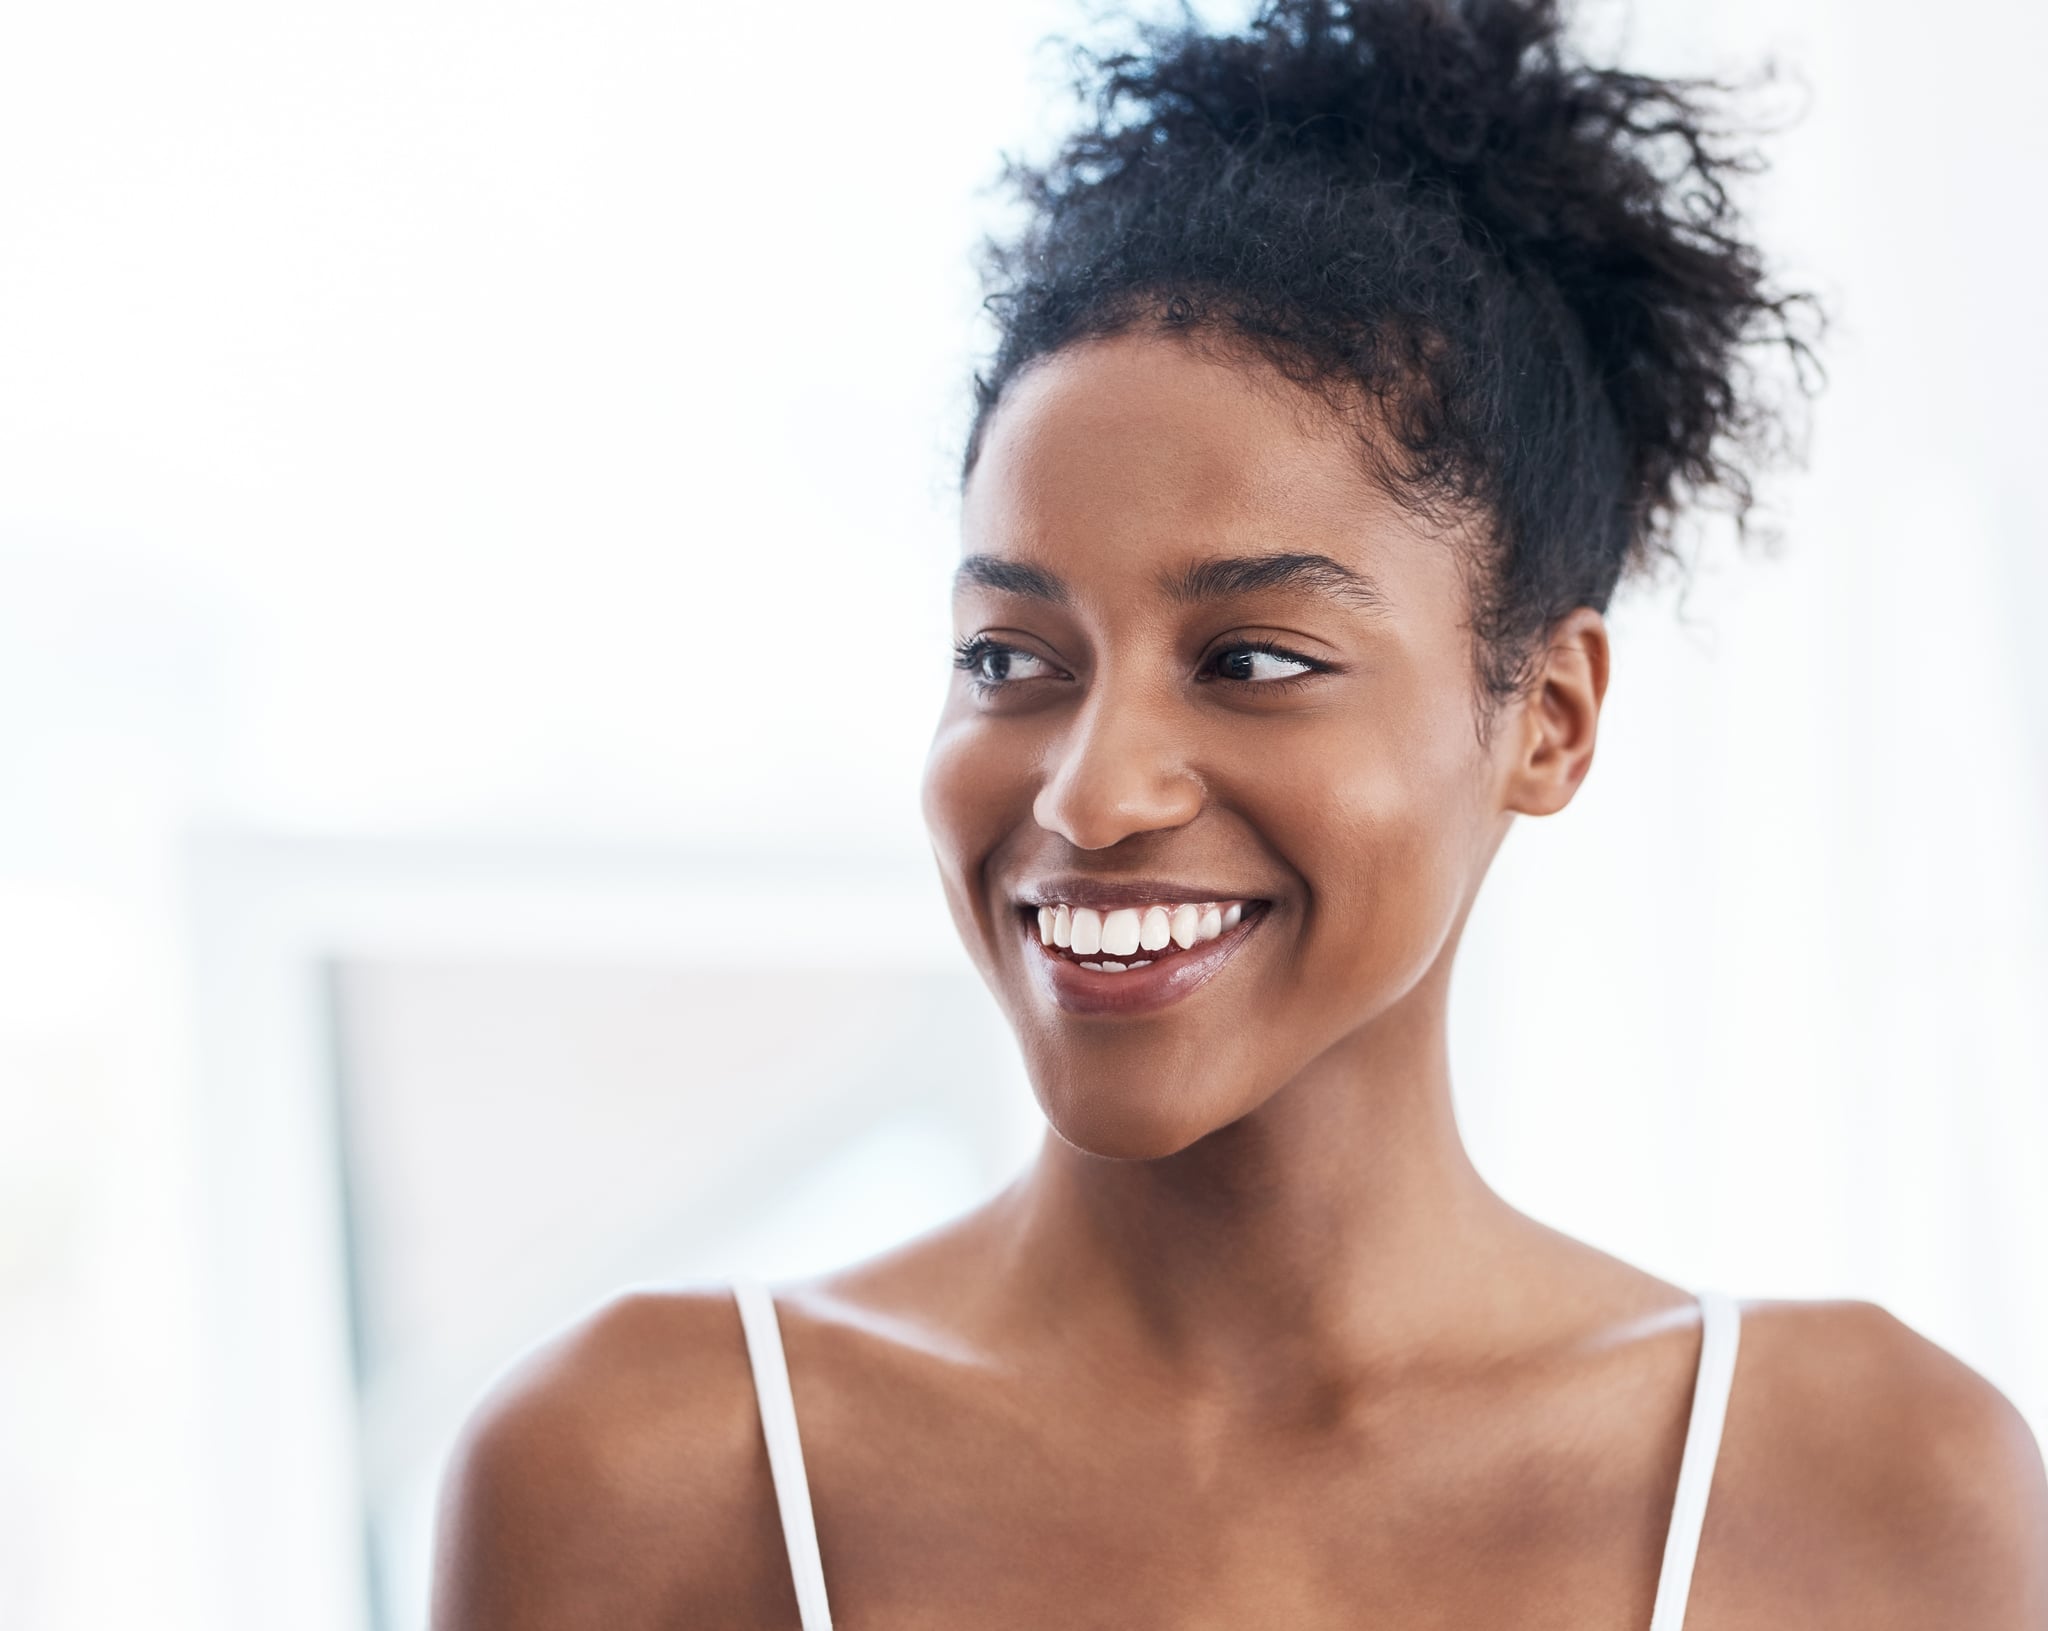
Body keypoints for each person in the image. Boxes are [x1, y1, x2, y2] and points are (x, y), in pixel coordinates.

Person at [430, 2, 2048, 1625]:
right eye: (1013, 655)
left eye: (1255, 657)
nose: (1092, 787)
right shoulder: (645, 1473)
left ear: (1548, 719)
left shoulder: (1870, 1489)